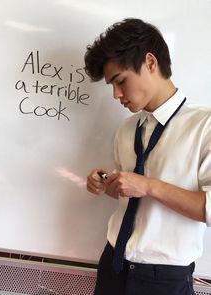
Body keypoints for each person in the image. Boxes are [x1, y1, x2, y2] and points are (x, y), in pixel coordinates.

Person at [84, 18, 211, 295]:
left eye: (120, 81)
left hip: (163, 278)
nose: (116, 94)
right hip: (112, 264)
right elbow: (130, 195)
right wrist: (107, 184)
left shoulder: (205, 125)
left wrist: (148, 185)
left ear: (150, 63)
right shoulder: (127, 129)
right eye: (111, 86)